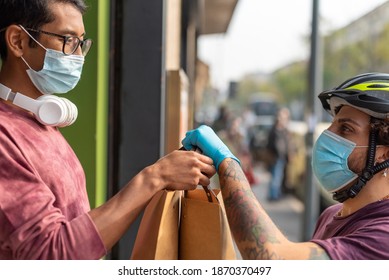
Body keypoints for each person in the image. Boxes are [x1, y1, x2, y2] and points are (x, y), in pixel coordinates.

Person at [0, 0, 216, 259]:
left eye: (82, 43)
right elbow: (50, 255)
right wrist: (154, 178)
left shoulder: (40, 122)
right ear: (17, 41)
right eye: (67, 40)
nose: (78, 57)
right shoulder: (5, 137)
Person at [182, 73, 389, 260]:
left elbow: (275, 261)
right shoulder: (331, 214)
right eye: (332, 124)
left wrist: (227, 162)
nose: (327, 135)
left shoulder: (383, 237)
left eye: (345, 128)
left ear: (384, 154)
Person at [266, 107, 290, 200]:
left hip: (280, 157)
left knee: (277, 177)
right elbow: (274, 145)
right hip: (276, 157)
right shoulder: (275, 130)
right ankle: (273, 195)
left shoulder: (282, 130)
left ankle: (275, 193)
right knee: (276, 177)